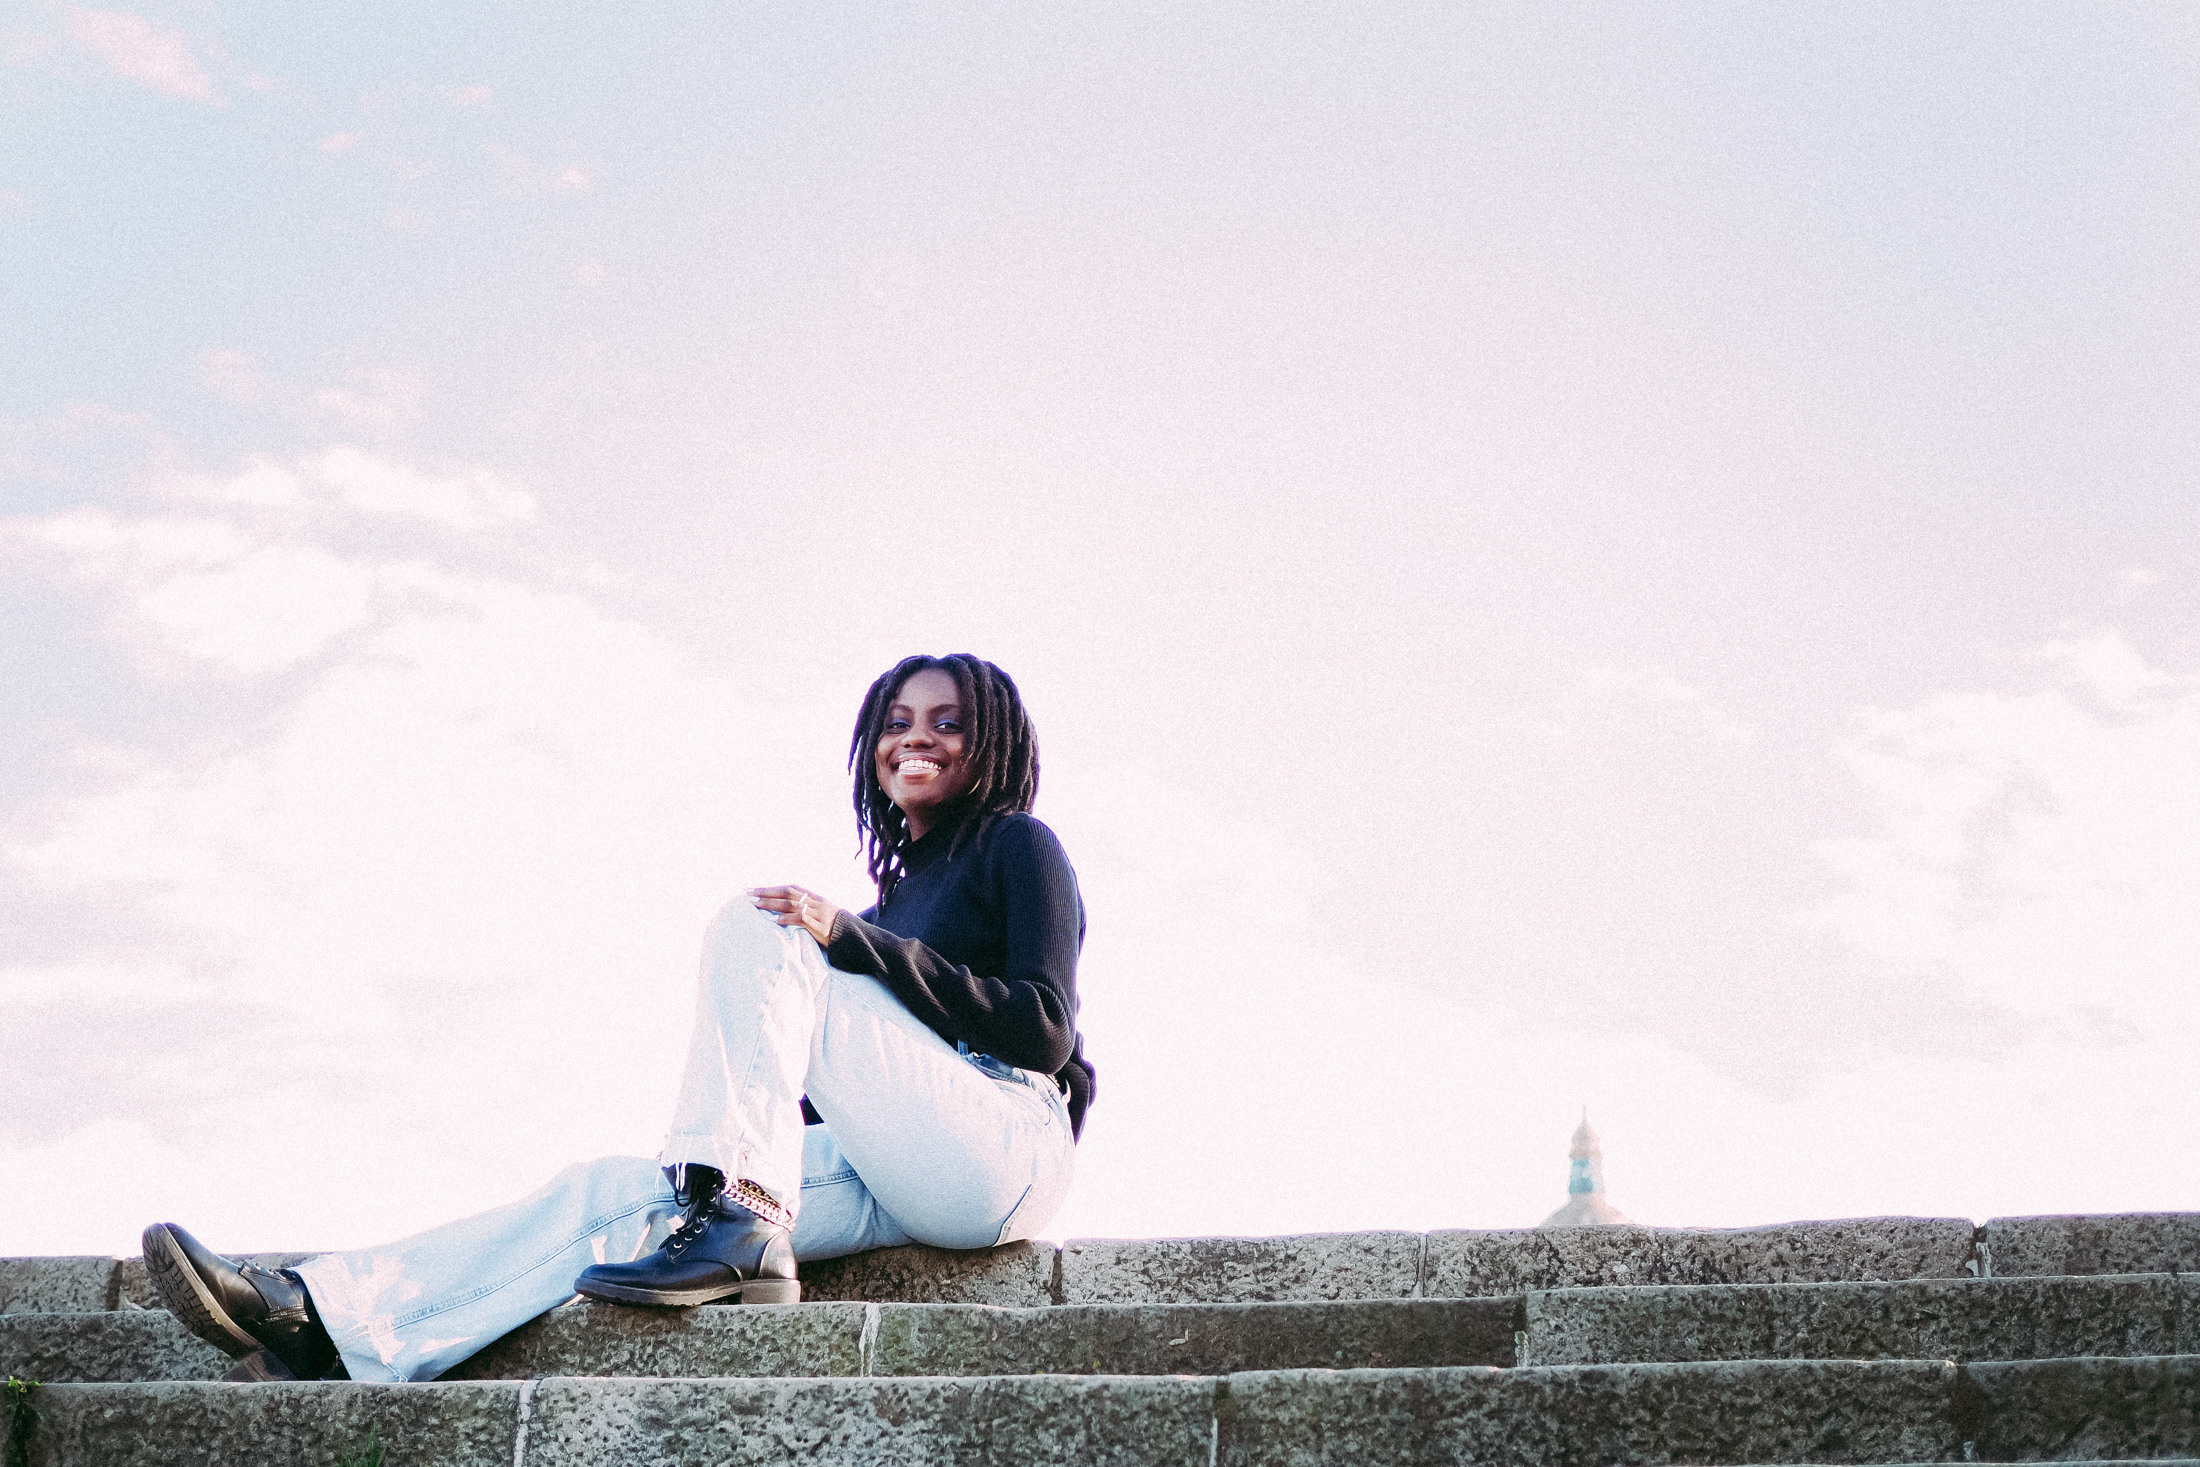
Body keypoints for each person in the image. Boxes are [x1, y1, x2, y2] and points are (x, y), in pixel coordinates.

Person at [139, 654, 1095, 1383]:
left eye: (947, 721)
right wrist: (722, 1148)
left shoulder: (1017, 845)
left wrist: (851, 940)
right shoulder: (883, 910)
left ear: (991, 741)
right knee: (618, 1192)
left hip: (1002, 1142)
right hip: (892, 1164)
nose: (916, 737)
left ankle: (741, 1220)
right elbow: (821, 1090)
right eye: (897, 721)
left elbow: (1045, 1027)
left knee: (764, 924)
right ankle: (325, 1321)